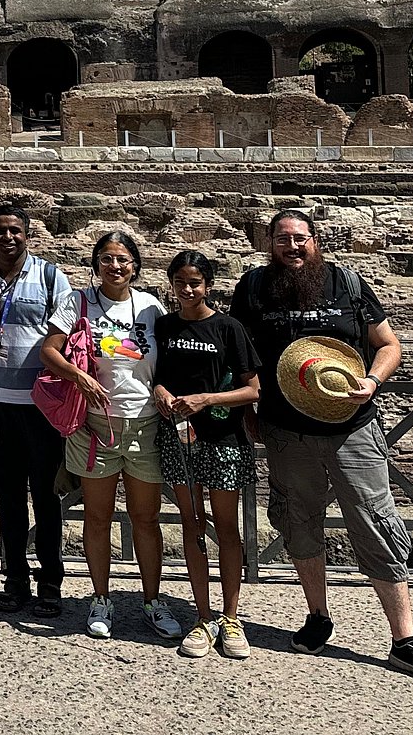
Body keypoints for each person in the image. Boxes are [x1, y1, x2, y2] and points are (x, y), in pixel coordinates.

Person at [231, 210, 413, 687]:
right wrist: (246, 410)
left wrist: (372, 381)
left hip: (352, 429)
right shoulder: (252, 287)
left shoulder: (347, 284)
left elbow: (389, 344)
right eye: (282, 239)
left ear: (315, 240)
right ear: (269, 242)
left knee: (375, 521)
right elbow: (239, 352)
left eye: (300, 238)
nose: (292, 246)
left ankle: (405, 639)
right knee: (297, 519)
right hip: (286, 431)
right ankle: (317, 616)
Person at [40, 231, 178, 641]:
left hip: (144, 424)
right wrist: (79, 376)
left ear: (135, 265)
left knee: (146, 519)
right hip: (94, 427)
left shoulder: (151, 306)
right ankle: (100, 599)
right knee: (97, 518)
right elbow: (49, 350)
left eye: (122, 259)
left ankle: (152, 600)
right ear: (96, 263)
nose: (114, 266)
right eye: (106, 258)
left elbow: (167, 360)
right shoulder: (78, 302)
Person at [0, 201, 69, 615]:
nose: (7, 237)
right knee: (7, 497)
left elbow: (66, 342)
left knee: (45, 496)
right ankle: (15, 578)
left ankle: (51, 582)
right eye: (0, 231)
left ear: (27, 234)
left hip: (41, 407)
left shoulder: (51, 277)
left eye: (15, 230)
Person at [152, 249, 261, 658]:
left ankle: (230, 617)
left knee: (226, 527)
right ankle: (202, 616)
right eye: (180, 282)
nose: (187, 289)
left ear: (208, 285)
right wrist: (161, 392)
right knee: (191, 523)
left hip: (222, 438)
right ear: (172, 284)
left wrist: (205, 398)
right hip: (178, 439)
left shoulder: (228, 328)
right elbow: (155, 375)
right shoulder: (164, 326)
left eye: (195, 283)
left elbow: (253, 390)